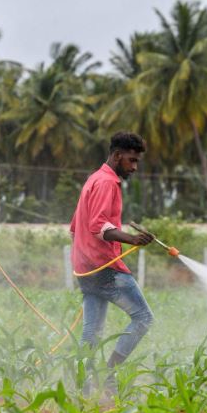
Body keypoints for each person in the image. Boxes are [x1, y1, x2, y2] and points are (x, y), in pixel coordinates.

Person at [69, 132, 155, 397]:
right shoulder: (108, 183)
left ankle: (82, 388)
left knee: (91, 333)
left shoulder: (93, 180)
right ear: (117, 156)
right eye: (131, 160)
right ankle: (108, 373)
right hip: (105, 268)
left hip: (85, 270)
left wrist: (86, 254)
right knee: (143, 318)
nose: (134, 167)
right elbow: (97, 226)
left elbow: (74, 228)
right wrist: (131, 239)